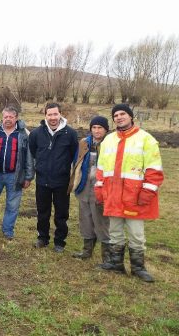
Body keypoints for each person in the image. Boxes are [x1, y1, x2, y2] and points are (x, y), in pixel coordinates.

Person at [95, 104, 163, 282]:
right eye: (115, 115)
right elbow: (101, 169)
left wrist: (147, 193)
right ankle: (116, 264)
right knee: (115, 231)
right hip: (113, 195)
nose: (118, 117)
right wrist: (99, 190)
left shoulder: (146, 139)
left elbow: (154, 170)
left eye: (122, 114)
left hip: (134, 196)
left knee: (136, 234)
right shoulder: (108, 140)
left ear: (131, 116)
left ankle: (138, 268)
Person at [29, 102, 78, 252]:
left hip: (61, 181)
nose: (53, 117)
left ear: (60, 114)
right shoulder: (36, 133)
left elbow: (73, 155)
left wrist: (63, 169)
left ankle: (59, 241)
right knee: (42, 211)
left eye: (55, 114)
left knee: (61, 213)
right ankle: (42, 238)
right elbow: (33, 151)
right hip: (42, 180)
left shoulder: (70, 134)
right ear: (45, 115)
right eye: (49, 114)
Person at [0, 106, 34, 240]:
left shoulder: (24, 134)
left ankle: (7, 230)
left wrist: (28, 176)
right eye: (6, 117)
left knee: (12, 205)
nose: (8, 119)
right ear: (2, 117)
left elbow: (29, 156)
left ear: (16, 118)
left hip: (15, 176)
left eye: (11, 117)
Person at [69, 116, 110, 261]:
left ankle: (107, 256)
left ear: (106, 129)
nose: (97, 131)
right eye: (94, 128)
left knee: (101, 221)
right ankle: (87, 251)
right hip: (84, 186)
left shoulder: (111, 144)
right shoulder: (84, 143)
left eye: (100, 128)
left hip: (102, 187)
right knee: (85, 218)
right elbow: (77, 163)